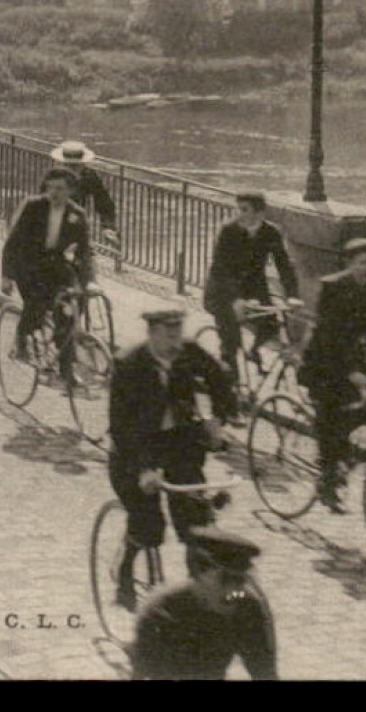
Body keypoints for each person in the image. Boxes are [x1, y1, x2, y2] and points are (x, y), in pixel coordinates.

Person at [106, 307, 237, 609]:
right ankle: (125, 569)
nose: (175, 341)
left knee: (196, 523)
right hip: (135, 450)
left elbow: (220, 379)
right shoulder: (129, 364)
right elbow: (120, 427)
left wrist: (218, 421)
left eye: (178, 332)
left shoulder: (188, 352)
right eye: (168, 334)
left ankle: (202, 594)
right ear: (151, 333)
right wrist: (144, 470)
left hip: (179, 442)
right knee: (148, 526)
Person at [297, 237, 366, 512]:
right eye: (363, 263)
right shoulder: (331, 287)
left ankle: (343, 457)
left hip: (352, 362)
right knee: (331, 420)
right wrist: (351, 371)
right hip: (323, 362)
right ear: (350, 264)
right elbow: (328, 337)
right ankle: (327, 481)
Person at [130, 527, 278, 681]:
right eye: (227, 579)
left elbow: (264, 671)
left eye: (241, 581)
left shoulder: (246, 608)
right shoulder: (161, 615)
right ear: (200, 573)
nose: (236, 590)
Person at [0, 167, 92, 375]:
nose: (54, 193)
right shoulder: (34, 207)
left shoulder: (77, 215)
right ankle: (21, 342)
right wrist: (6, 276)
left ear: (70, 191)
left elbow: (84, 252)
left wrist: (86, 282)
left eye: (60, 188)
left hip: (55, 266)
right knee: (36, 303)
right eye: (51, 188)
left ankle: (66, 369)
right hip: (28, 265)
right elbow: (12, 243)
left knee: (68, 314)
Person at [202, 192, 302, 376]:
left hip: (252, 288)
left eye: (244, 209)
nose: (239, 213)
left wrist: (293, 295)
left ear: (259, 212)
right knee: (231, 343)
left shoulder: (271, 233)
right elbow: (221, 269)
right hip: (223, 291)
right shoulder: (228, 231)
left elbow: (284, 265)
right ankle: (229, 387)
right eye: (238, 209)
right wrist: (236, 299)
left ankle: (253, 351)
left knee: (271, 325)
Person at [49, 140, 117, 240]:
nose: (71, 169)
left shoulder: (89, 176)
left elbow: (104, 203)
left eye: (75, 166)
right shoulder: (53, 177)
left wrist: (108, 227)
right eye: (67, 165)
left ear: (82, 164)